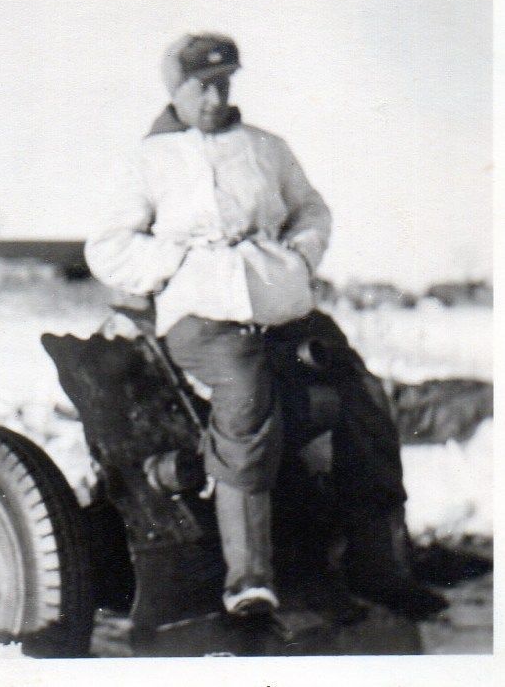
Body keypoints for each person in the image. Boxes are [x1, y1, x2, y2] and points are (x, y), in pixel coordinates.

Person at [84, 33, 443, 618]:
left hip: (283, 308)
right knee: (246, 398)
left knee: (363, 397)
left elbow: (312, 211)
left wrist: (297, 258)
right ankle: (248, 579)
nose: (215, 96)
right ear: (176, 90)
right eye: (202, 86)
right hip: (202, 315)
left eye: (224, 83)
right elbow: (108, 247)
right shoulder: (149, 160)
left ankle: (380, 566)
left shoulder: (266, 148)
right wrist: (179, 263)